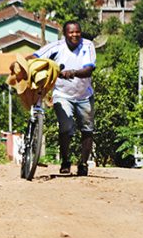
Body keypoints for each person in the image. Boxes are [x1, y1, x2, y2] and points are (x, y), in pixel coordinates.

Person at [29, 21, 96, 176]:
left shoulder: (87, 46)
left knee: (87, 129)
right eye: (71, 32)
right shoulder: (56, 47)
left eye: (77, 32)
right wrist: (24, 63)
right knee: (65, 128)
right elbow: (36, 56)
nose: (75, 35)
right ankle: (65, 161)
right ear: (65, 34)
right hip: (62, 94)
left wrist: (72, 73)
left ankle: (83, 163)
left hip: (84, 94)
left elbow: (88, 70)